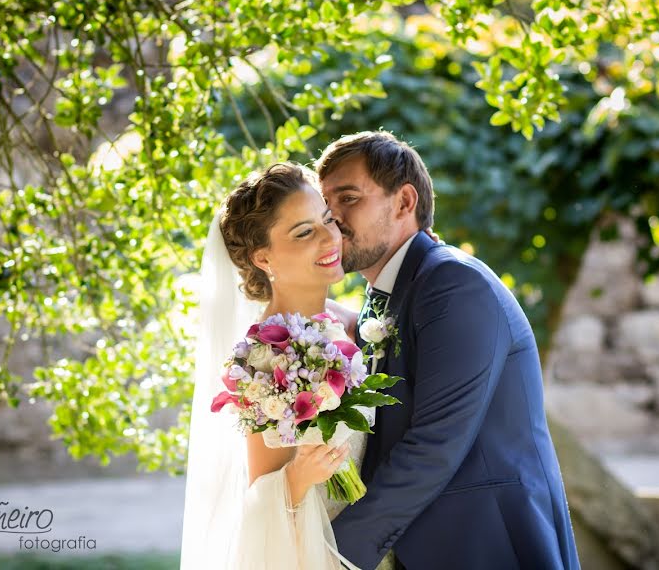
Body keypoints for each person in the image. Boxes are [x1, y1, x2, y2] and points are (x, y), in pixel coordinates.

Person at [317, 130, 582, 570]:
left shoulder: (454, 285)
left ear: (404, 202)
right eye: (327, 206)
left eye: (348, 198)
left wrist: (330, 552)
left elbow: (434, 444)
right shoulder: (387, 296)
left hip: (487, 542)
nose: (333, 220)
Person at [179, 162, 389, 569]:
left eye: (326, 218)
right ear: (264, 258)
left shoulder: (344, 321)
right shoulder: (264, 357)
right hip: (313, 551)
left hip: (373, 539)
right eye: (304, 232)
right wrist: (299, 477)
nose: (330, 236)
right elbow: (260, 494)